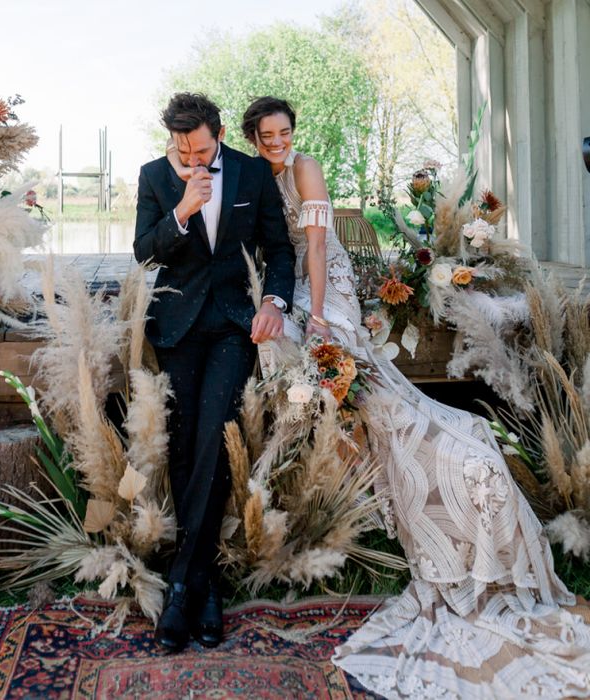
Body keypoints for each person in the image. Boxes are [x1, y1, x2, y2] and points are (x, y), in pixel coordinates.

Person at [170, 96, 590, 698]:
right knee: (312, 382)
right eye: (266, 137)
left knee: (352, 381)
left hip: (327, 288)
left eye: (284, 132)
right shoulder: (249, 175)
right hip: (291, 291)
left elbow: (315, 246)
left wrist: (318, 316)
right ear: (251, 138)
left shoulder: (304, 168)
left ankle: (455, 475)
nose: (277, 143)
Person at [134, 93, 295, 653]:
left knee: (212, 435)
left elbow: (279, 248)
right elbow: (142, 252)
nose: (194, 159)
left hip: (233, 325)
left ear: (220, 133)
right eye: (183, 150)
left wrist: (274, 301)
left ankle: (180, 587)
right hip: (176, 325)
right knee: (182, 446)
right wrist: (181, 208)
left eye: (202, 148)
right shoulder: (156, 176)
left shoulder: (251, 173)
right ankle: (204, 588)